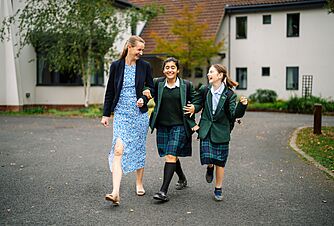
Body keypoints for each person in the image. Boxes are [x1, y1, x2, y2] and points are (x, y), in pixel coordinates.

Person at [101, 35, 154, 205]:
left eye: (142, 50)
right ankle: (115, 192)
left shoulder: (145, 66)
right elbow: (110, 90)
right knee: (118, 149)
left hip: (139, 114)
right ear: (129, 47)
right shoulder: (116, 66)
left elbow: (150, 87)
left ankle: (139, 182)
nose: (141, 53)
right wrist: (106, 113)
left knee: (138, 147)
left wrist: (144, 99)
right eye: (139, 49)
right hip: (121, 114)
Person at [184, 64, 248, 201]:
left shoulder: (229, 94)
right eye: (208, 72)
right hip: (206, 130)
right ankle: (209, 167)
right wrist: (194, 108)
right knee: (209, 158)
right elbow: (197, 103)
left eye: (211, 72)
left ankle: (218, 188)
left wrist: (242, 106)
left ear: (220, 75)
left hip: (221, 131)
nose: (208, 74)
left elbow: (233, 114)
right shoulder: (205, 89)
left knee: (220, 161)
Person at [146, 57, 199, 202]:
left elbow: (196, 100)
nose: (170, 70)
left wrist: (195, 107)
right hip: (162, 125)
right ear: (163, 70)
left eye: (173, 67)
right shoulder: (158, 83)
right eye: (167, 67)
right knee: (171, 155)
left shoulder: (186, 85)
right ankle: (182, 178)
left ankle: (163, 191)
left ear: (178, 70)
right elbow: (147, 88)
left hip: (180, 125)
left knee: (170, 155)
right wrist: (145, 92)